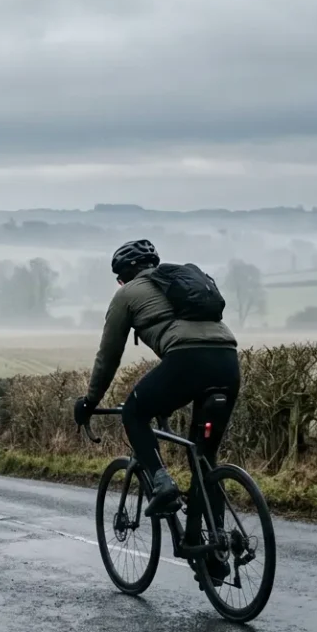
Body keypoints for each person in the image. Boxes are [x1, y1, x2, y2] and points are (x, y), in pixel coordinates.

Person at [72, 239, 240, 581]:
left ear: (123, 277)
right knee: (205, 459)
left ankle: (162, 482)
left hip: (188, 360)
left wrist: (89, 401)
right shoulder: (176, 283)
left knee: (133, 412)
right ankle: (213, 552)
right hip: (228, 360)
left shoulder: (127, 295)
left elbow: (108, 357)